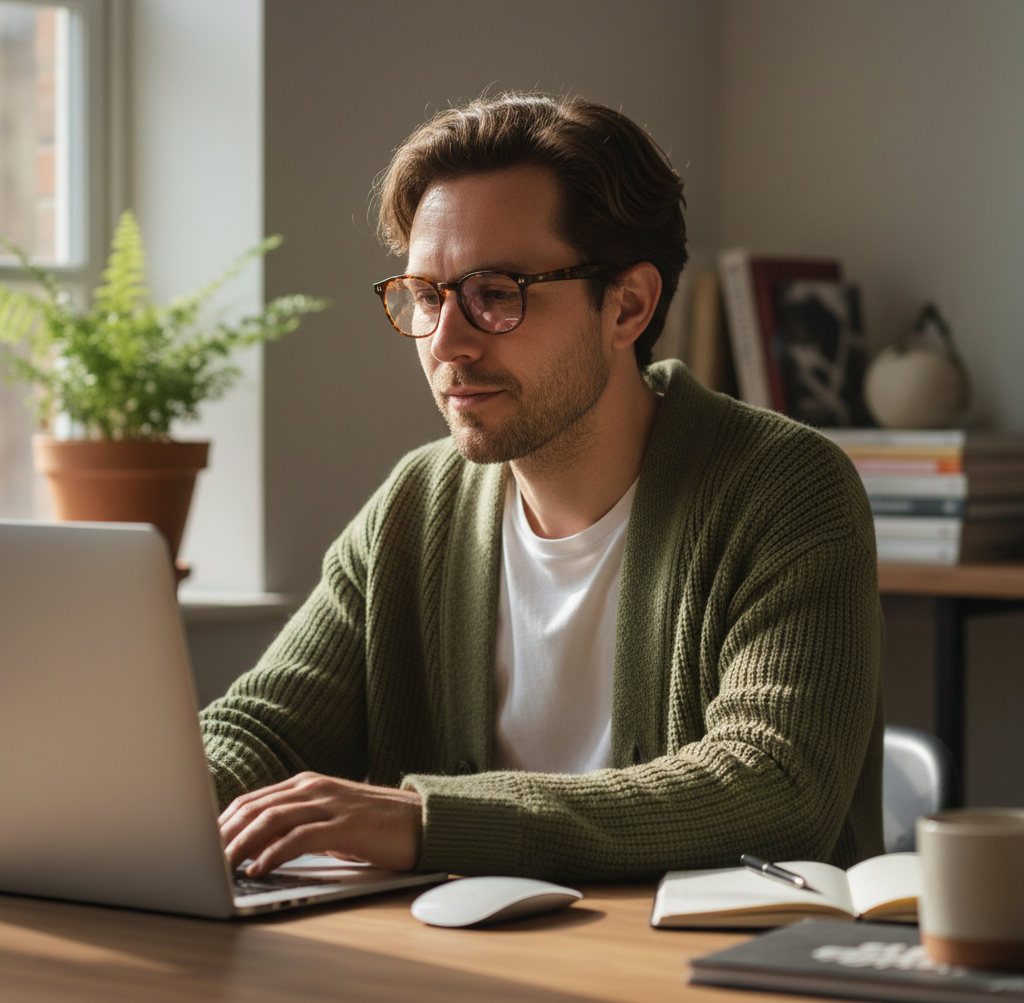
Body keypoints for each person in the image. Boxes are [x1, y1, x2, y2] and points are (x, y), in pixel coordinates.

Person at [203, 92, 884, 883]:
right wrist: (135, 803)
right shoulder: (414, 508)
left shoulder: (784, 489)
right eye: (427, 296)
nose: (446, 342)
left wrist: (436, 823)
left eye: (496, 292)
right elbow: (262, 729)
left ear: (627, 305)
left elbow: (773, 782)